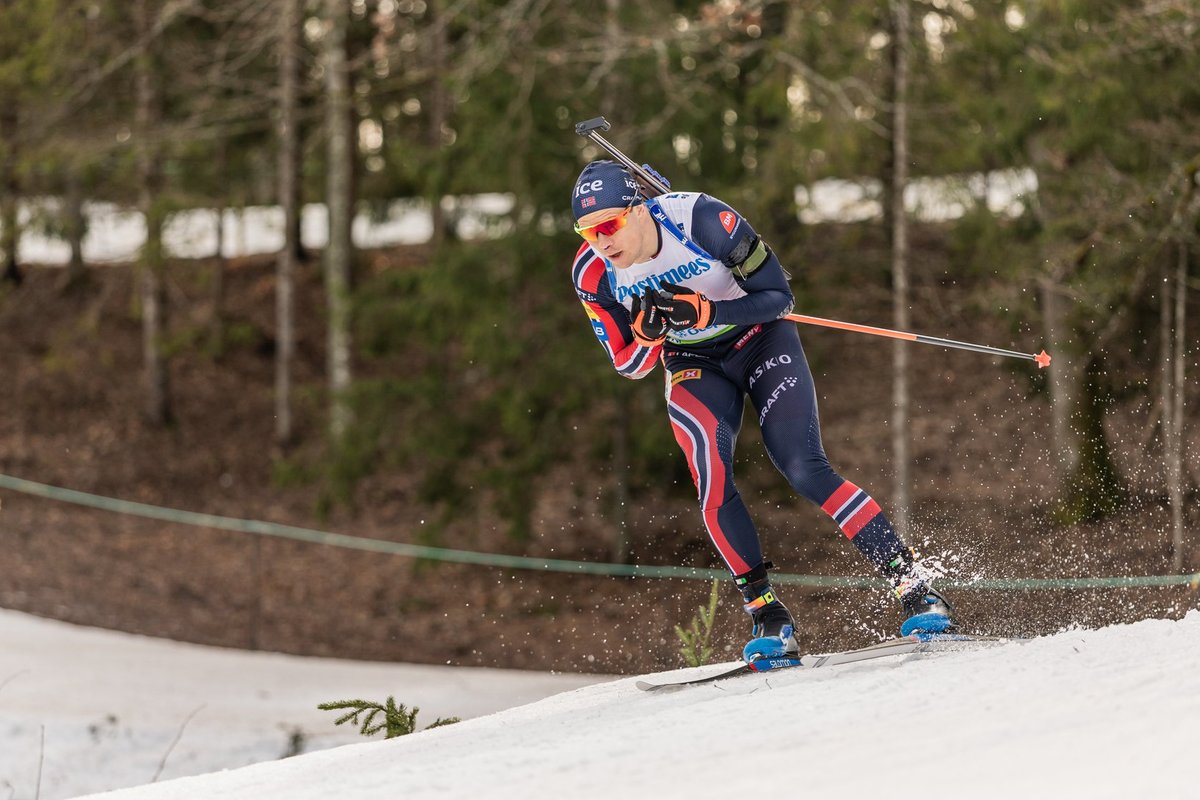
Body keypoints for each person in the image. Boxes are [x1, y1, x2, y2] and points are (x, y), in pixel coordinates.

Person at [569, 159, 954, 662]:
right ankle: (768, 615)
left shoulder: (702, 220)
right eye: (588, 231)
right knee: (710, 474)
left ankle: (917, 590)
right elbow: (627, 364)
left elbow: (778, 297)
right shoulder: (592, 273)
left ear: (639, 209)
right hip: (693, 362)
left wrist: (710, 311)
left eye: (610, 225)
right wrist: (648, 335)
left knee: (803, 467)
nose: (601, 241)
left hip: (760, 339)